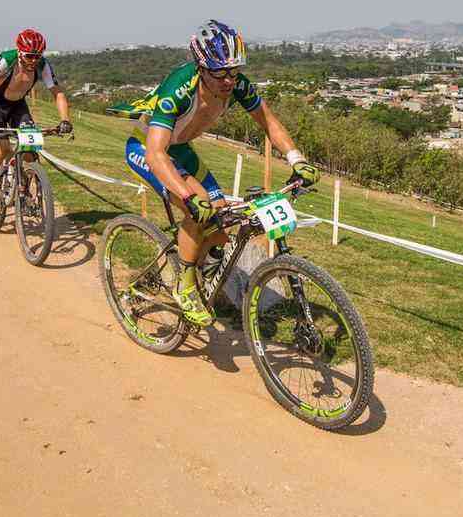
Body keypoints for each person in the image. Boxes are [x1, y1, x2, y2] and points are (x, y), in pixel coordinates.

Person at [108, 20, 319, 326]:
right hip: (147, 148)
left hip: (179, 148)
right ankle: (186, 285)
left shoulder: (238, 84)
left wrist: (296, 159)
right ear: (201, 67)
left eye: (234, 70)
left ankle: (187, 265)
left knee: (220, 220)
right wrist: (186, 196)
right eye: (219, 72)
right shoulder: (178, 88)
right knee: (197, 208)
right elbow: (156, 154)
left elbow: (269, 122)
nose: (228, 80)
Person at [0, 29, 73, 205]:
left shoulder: (43, 64)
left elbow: (57, 92)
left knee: (30, 149)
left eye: (37, 56)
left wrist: (65, 119)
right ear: (20, 52)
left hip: (18, 105)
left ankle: (24, 184)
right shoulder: (6, 59)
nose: (33, 61)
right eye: (29, 56)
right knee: (2, 148)